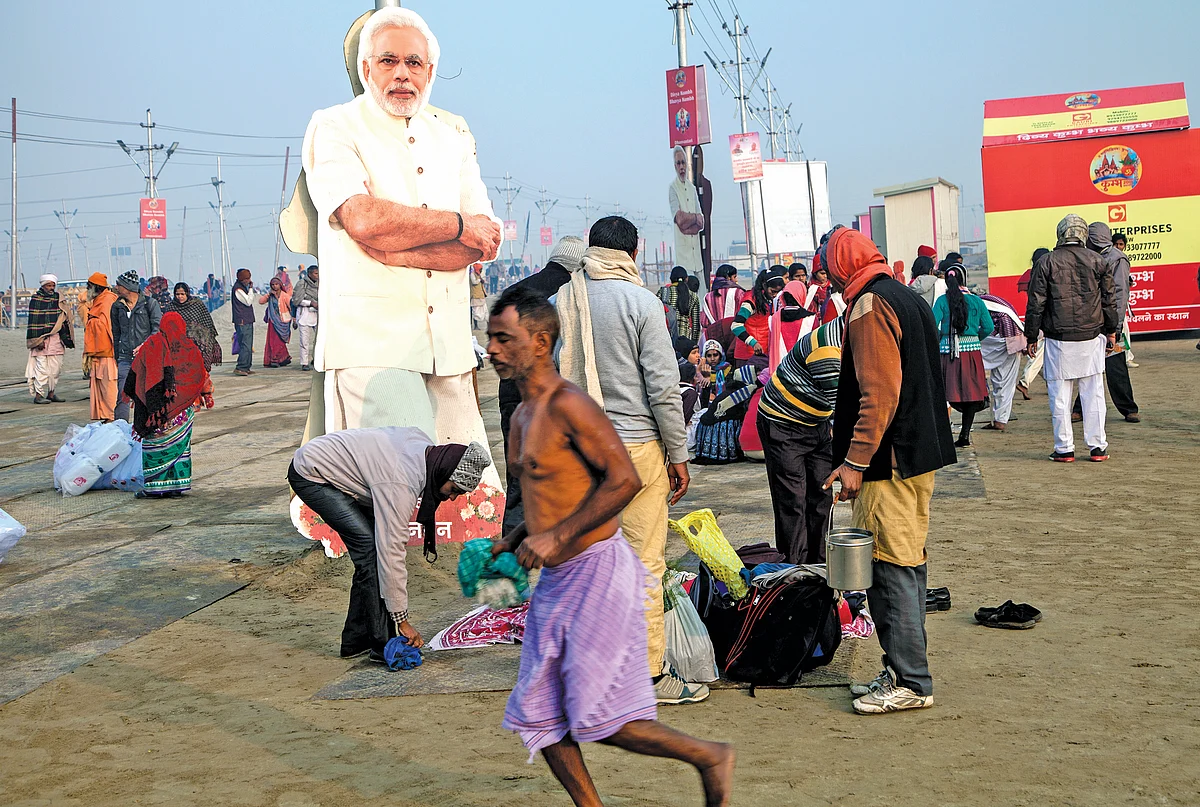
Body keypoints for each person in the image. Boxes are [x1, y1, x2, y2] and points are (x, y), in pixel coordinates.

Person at [487, 286, 734, 805]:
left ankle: (708, 756)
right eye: (491, 338)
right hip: (557, 582)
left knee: (602, 718)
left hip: (598, 572)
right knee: (540, 712)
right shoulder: (522, 416)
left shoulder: (571, 405)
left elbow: (624, 480)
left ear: (540, 342)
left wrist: (558, 536)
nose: (492, 349)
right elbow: (550, 494)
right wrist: (513, 539)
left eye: (504, 339)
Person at [299, 7, 505, 534]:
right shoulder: (335, 126)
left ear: (430, 71)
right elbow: (362, 219)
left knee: (471, 500)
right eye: (388, 60)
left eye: (414, 63)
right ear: (366, 67)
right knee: (394, 496)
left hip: (447, 346)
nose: (402, 74)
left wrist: (397, 248)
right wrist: (454, 226)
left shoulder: (452, 134)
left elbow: (484, 240)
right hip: (375, 346)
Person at [555, 216, 703, 704]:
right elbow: (663, 388)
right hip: (635, 453)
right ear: (634, 253)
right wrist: (678, 455)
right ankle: (649, 676)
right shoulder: (641, 303)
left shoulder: (566, 300)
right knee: (642, 565)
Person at [820, 226, 956, 715]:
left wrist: (855, 461)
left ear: (841, 265)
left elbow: (879, 395)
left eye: (829, 270)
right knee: (907, 562)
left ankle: (911, 681)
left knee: (889, 567)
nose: (830, 281)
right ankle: (901, 671)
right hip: (917, 454)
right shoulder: (905, 295)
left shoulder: (869, 305)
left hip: (889, 461)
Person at [289, 428, 489, 661]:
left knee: (373, 553)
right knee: (372, 552)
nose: (452, 498)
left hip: (342, 468)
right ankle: (382, 644)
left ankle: (356, 641)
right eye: (454, 490)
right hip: (313, 472)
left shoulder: (425, 453)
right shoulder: (401, 482)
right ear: (443, 471)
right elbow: (391, 551)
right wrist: (401, 620)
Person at [496, 235, 584, 537]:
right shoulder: (569, 294)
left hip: (511, 396)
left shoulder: (514, 291)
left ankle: (513, 543)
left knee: (518, 477)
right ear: (576, 266)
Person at [1024, 214, 1118, 462]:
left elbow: (1036, 303)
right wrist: (1112, 330)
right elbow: (1109, 299)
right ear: (1083, 235)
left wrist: (1031, 336)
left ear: (1060, 234)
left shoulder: (1046, 262)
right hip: (1092, 335)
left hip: (1059, 338)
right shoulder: (1098, 260)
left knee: (1059, 395)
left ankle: (1064, 448)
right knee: (1093, 393)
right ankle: (1097, 447)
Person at [757, 314, 843, 564]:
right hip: (782, 422)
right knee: (792, 500)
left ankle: (821, 566)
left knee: (822, 494)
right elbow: (845, 412)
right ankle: (795, 571)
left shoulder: (856, 337)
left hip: (817, 421)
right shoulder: (827, 350)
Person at [125, 312, 213, 499]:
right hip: (182, 412)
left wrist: (141, 397)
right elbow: (200, 374)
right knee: (180, 448)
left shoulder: (151, 345)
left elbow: (139, 372)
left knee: (154, 445)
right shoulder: (189, 348)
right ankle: (177, 486)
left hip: (157, 412)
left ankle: (154, 487)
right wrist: (206, 394)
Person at [1071, 223, 1139, 423]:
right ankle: (1080, 408)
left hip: (1110, 320)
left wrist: (1115, 327)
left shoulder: (1117, 259)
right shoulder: (1089, 256)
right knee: (1088, 365)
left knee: (1116, 365)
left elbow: (1120, 294)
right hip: (1091, 320)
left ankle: (1129, 408)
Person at [932, 264, 994, 447]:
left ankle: (943, 436)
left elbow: (932, 323)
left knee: (945, 393)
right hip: (972, 353)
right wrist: (974, 338)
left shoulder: (942, 301)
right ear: (964, 279)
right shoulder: (976, 301)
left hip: (947, 353)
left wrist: (943, 339)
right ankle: (964, 435)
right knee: (971, 394)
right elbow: (988, 326)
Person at [112, 270, 163, 423]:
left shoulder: (149, 304)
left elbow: (157, 329)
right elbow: (116, 334)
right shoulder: (117, 307)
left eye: (119, 285)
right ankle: (120, 427)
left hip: (147, 358)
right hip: (125, 358)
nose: (116, 287)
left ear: (128, 287)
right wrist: (117, 357)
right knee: (123, 394)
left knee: (147, 394)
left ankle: (147, 426)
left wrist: (144, 346)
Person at [978, 292, 1025, 431]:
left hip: (1009, 338)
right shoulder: (982, 301)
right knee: (1002, 382)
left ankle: (1000, 420)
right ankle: (999, 420)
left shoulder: (975, 304)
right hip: (1008, 337)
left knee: (1002, 382)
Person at [26, 274, 74, 404]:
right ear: (43, 286)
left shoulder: (58, 299)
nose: (51, 288)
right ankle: (38, 395)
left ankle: (51, 393)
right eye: (49, 285)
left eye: (53, 285)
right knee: (41, 369)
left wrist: (67, 338)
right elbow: (33, 321)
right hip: (41, 340)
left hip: (56, 339)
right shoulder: (36, 299)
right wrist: (38, 340)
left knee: (55, 369)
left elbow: (64, 318)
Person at [732, 267, 786, 371]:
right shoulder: (750, 302)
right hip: (749, 354)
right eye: (773, 291)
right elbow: (736, 326)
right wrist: (753, 342)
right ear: (764, 286)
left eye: (778, 292)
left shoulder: (771, 300)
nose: (775, 295)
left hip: (764, 353)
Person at [1015, 247, 1051, 400]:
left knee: (1043, 357)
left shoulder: (1032, 276)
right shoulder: (1048, 275)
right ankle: (1024, 382)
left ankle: (1049, 381)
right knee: (1040, 354)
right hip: (1046, 322)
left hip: (1037, 321)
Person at [83, 273, 120, 422]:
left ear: (96, 287)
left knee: (109, 387)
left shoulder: (108, 301)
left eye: (89, 287)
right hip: (97, 353)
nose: (87, 290)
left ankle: (112, 417)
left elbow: (112, 328)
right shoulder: (97, 301)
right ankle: (105, 417)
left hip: (108, 353)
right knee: (99, 388)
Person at [166, 282, 222, 373]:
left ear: (187, 293)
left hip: (198, 343)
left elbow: (206, 322)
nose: (180, 297)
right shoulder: (171, 307)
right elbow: (167, 325)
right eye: (177, 294)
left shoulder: (196, 304)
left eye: (182, 294)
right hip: (179, 346)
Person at [669, 145, 704, 279]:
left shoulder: (692, 188)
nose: (681, 167)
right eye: (678, 163)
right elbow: (680, 220)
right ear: (675, 166)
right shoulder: (673, 188)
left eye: (683, 162)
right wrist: (693, 219)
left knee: (702, 290)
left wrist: (689, 221)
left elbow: (701, 222)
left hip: (697, 258)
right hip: (684, 260)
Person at [701, 263, 743, 356]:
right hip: (734, 337)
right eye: (735, 277)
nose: (736, 280)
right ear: (728, 277)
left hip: (714, 338)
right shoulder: (738, 293)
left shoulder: (707, 296)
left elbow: (704, 322)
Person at [259, 277, 293, 368]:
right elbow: (260, 301)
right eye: (273, 285)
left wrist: (294, 319)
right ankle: (274, 359)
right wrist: (268, 295)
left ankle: (282, 358)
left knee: (280, 341)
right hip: (273, 322)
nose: (275, 286)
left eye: (276, 284)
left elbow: (291, 307)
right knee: (273, 341)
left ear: (280, 285)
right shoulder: (270, 296)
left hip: (283, 321)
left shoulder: (285, 296)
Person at [659, 266, 700, 342]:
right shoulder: (693, 296)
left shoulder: (663, 292)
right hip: (684, 339)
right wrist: (693, 344)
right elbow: (696, 326)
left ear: (671, 279)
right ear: (686, 279)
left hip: (667, 337)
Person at [291, 265, 320, 371]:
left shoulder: (321, 283)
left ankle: (317, 359)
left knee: (319, 340)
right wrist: (310, 303)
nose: (317, 275)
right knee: (304, 341)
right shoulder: (301, 284)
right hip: (305, 315)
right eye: (315, 273)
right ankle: (304, 363)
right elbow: (296, 300)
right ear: (309, 273)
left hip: (318, 315)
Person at [231, 268, 256, 376]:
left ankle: (246, 366)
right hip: (242, 321)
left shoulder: (242, 287)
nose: (248, 281)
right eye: (246, 279)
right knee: (245, 344)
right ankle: (241, 367)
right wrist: (251, 289)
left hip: (247, 319)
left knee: (248, 344)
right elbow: (248, 301)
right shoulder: (238, 289)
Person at [469, 262, 488, 330]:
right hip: (475, 296)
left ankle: (488, 324)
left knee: (485, 311)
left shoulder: (479, 274)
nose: (481, 270)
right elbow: (474, 282)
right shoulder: (472, 274)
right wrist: (480, 280)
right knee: (475, 312)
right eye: (480, 269)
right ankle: (476, 326)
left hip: (481, 295)